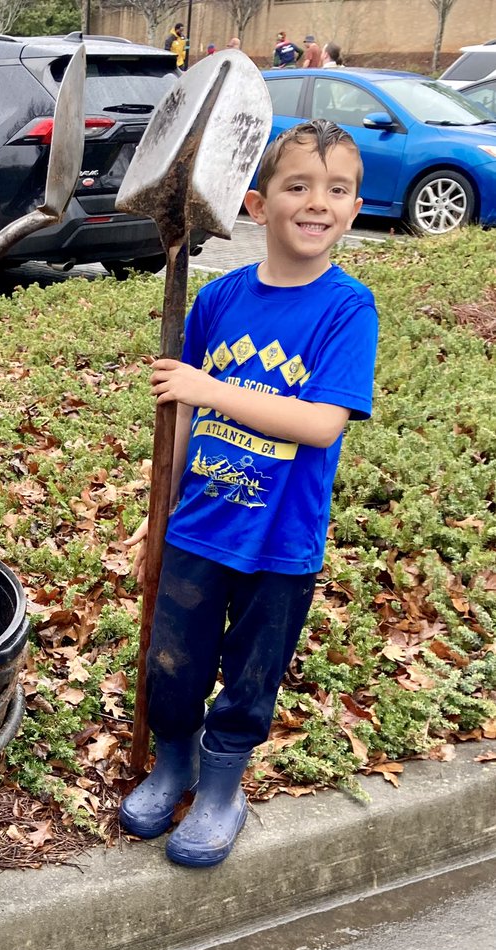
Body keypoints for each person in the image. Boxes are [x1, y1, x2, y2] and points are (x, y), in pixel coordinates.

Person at [121, 120, 378, 868]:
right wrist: (159, 506)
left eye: (336, 191)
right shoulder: (219, 300)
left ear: (355, 209)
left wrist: (212, 389)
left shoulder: (346, 310)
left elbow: (320, 424)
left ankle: (223, 786)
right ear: (260, 206)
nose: (317, 202)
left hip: (279, 543)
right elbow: (181, 415)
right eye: (298, 186)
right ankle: (176, 765)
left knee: (249, 676)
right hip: (199, 527)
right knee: (173, 665)